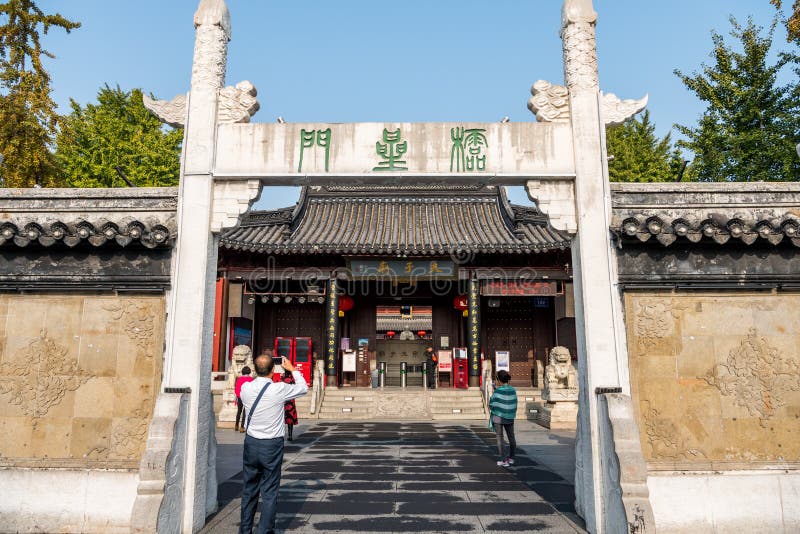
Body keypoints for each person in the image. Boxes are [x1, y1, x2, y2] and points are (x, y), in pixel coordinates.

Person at [239, 353, 308, 534]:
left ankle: (245, 530)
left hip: (251, 443)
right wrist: (292, 369)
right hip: (271, 445)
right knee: (269, 491)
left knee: (249, 490)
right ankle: (265, 531)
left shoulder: (245, 388)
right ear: (273, 370)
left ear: (255, 369)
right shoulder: (279, 389)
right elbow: (303, 388)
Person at [488, 370, 517, 468]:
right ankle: (511, 458)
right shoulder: (513, 390)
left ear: (498, 380)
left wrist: (495, 392)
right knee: (511, 437)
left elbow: (492, 404)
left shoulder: (497, 391)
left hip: (499, 417)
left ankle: (504, 460)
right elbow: (514, 402)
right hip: (510, 416)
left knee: (500, 438)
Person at [280, 367, 298, 441]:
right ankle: (290, 435)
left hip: (283, 400)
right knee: (290, 418)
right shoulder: (292, 380)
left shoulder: (282, 380)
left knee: (281, 418)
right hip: (290, 401)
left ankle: (280, 434)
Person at [234, 366, 254, 433]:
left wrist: (237, 396)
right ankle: (242, 427)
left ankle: (236, 425)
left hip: (240, 397)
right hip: (247, 397)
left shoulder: (239, 379)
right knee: (245, 412)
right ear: (249, 372)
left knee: (239, 411)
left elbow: (237, 388)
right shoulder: (251, 379)